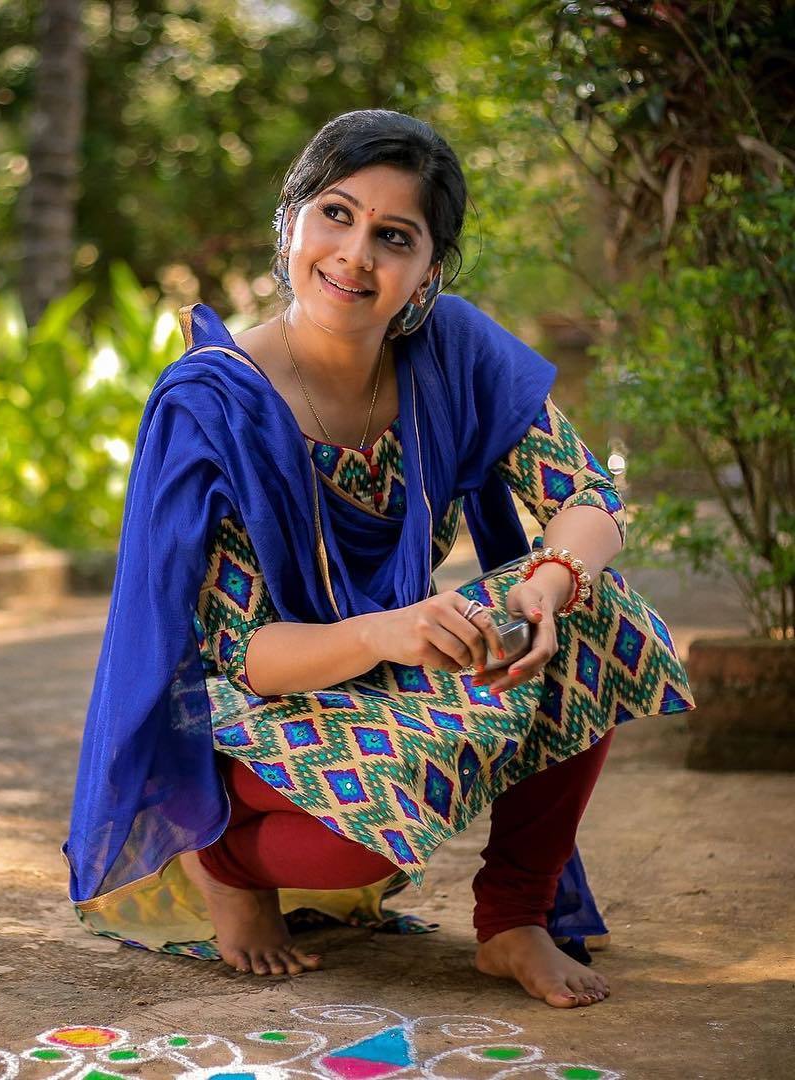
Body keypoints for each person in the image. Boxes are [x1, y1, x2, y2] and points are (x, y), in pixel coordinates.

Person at [63, 110, 694, 1008]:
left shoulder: (451, 350)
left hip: (387, 670)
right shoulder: (214, 403)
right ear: (291, 221)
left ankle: (513, 920)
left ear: (429, 270)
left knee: (601, 612)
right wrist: (387, 632)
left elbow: (589, 496)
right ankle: (222, 862)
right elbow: (243, 656)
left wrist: (547, 592)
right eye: (336, 214)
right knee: (370, 839)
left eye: (394, 236)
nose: (355, 256)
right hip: (258, 703)